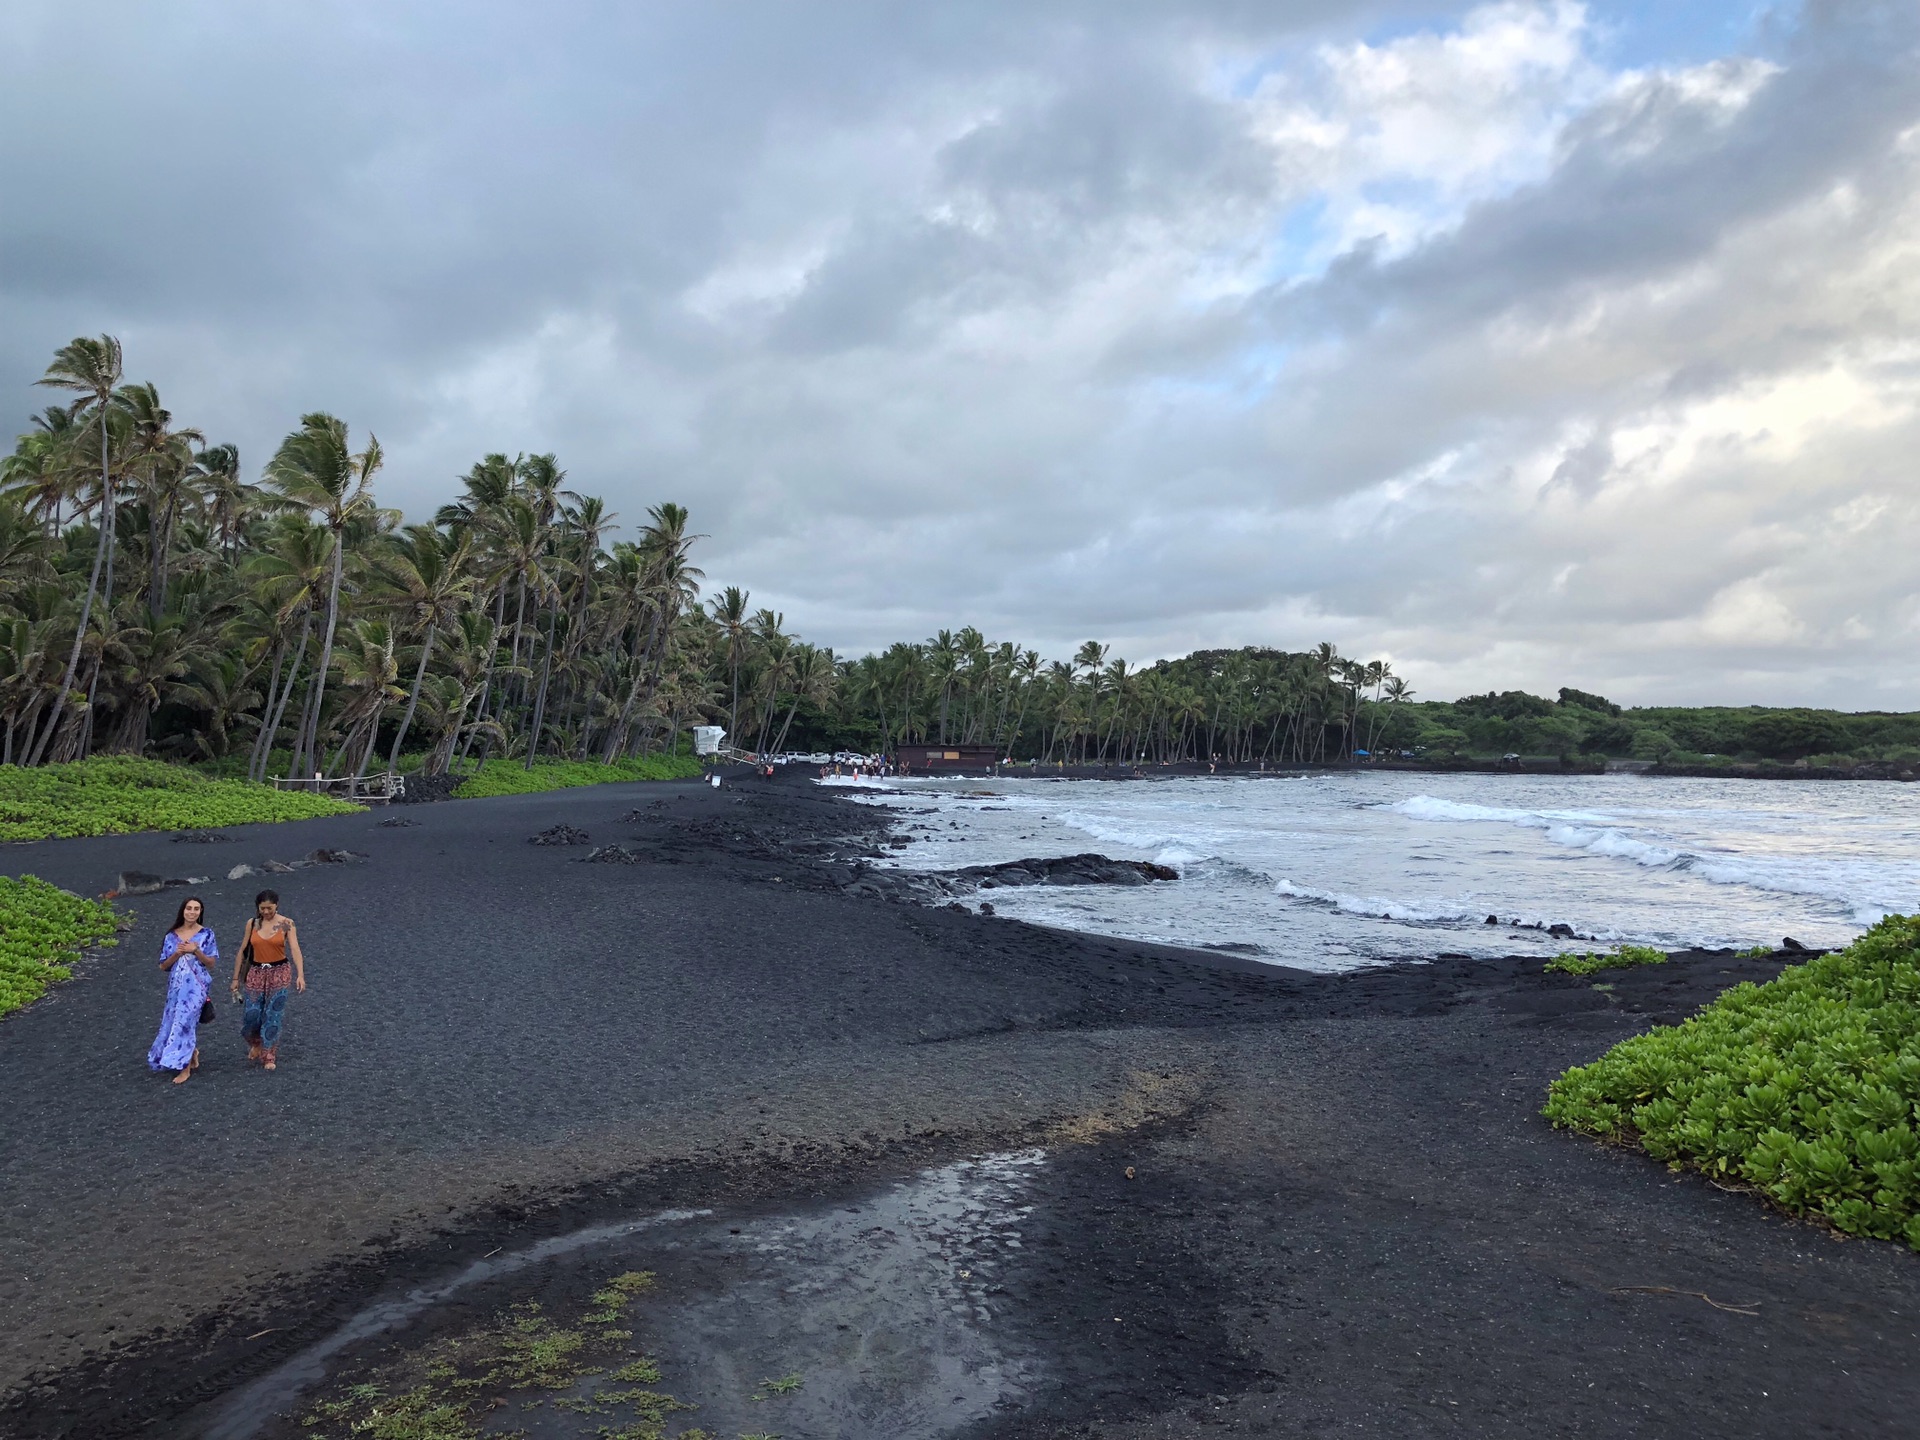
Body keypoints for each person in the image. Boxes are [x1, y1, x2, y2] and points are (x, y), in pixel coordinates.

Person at [229, 889, 305, 1071]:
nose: (266, 912)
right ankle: (255, 1042)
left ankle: (269, 1054)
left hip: (280, 971)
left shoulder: (286, 924)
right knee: (252, 1014)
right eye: (262, 908)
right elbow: (242, 950)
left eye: (269, 908)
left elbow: (294, 948)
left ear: (276, 906)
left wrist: (300, 974)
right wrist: (235, 978)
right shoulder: (253, 923)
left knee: (273, 1015)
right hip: (255, 971)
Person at [148, 897, 216, 1085]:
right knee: (172, 1021)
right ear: (183, 910)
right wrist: (177, 953)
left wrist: (196, 951)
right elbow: (163, 966)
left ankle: (183, 1067)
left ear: (201, 912)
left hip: (196, 986)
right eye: (189, 908)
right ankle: (190, 1052)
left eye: (196, 909)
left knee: (185, 1022)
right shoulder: (171, 936)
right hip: (176, 987)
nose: (192, 912)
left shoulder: (207, 934)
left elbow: (211, 963)